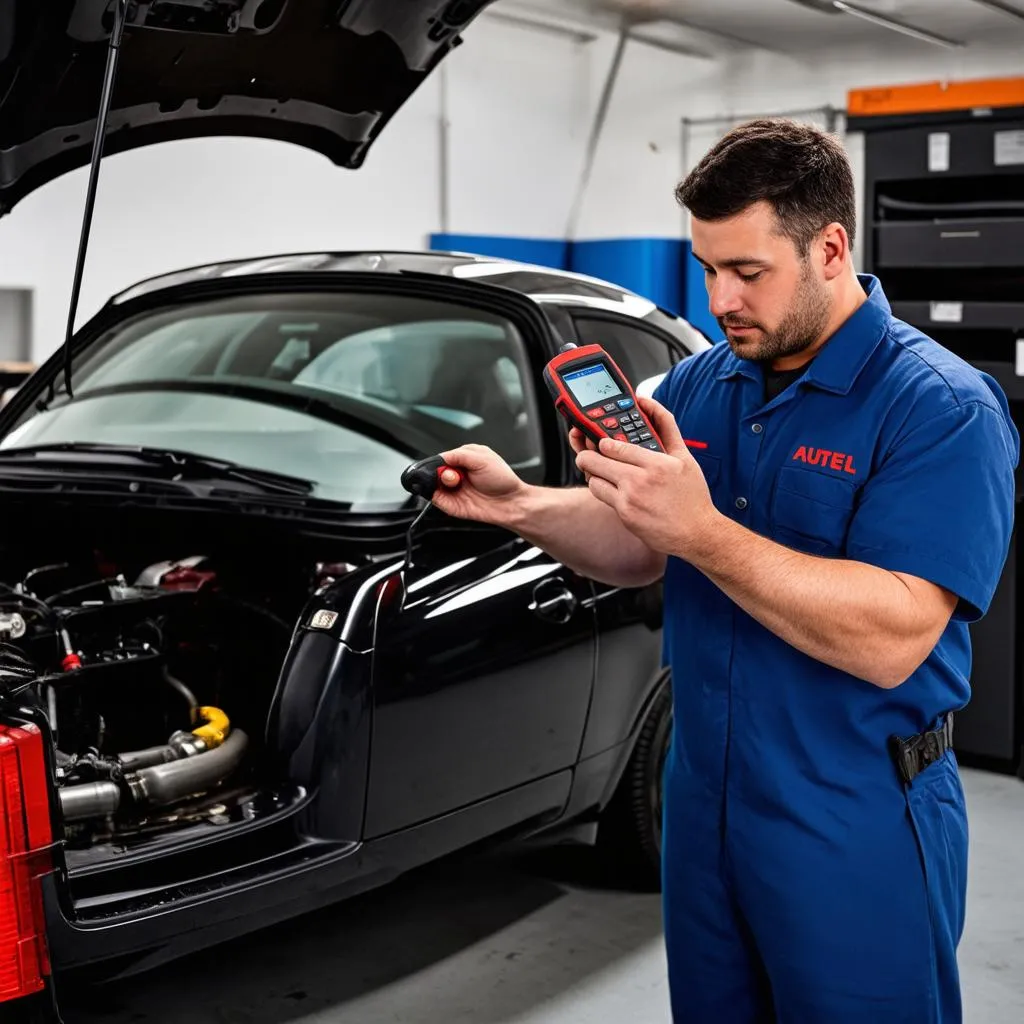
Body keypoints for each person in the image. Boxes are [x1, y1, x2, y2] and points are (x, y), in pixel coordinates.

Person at [429, 118, 1019, 1023]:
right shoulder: (706, 383)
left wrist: (703, 533)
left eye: (748, 271)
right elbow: (635, 546)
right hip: (703, 800)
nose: (721, 300)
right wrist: (518, 505)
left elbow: (895, 634)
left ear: (829, 249)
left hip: (859, 808)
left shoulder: (939, 408)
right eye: (707, 269)